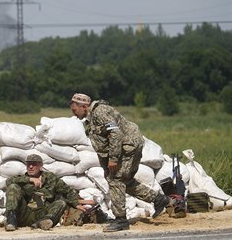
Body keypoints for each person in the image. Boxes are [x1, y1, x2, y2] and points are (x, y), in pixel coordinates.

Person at [69, 93, 170, 232]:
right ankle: (159, 199)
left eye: (75, 110)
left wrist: (113, 159)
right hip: (126, 147)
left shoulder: (100, 112)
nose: (74, 114)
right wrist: (105, 166)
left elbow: (115, 134)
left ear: (84, 106)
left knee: (115, 179)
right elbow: (101, 145)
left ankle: (121, 220)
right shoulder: (90, 118)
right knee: (125, 181)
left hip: (128, 146)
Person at [4, 154, 90, 231]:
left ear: (41, 166)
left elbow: (68, 191)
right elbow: (8, 181)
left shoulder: (51, 178)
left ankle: (44, 222)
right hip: (25, 213)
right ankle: (11, 220)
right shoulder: (22, 179)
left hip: (43, 214)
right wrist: (29, 179)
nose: (30, 167)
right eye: (28, 164)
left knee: (61, 203)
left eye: (34, 164)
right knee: (12, 187)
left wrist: (76, 203)